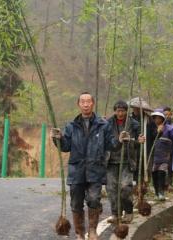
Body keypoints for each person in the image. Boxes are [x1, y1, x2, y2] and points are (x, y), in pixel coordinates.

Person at [50, 92, 124, 240]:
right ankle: (79, 233)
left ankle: (92, 230)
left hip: (95, 170)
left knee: (94, 199)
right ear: (78, 105)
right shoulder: (71, 126)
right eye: (82, 102)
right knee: (76, 203)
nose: (85, 104)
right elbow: (65, 146)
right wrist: (58, 138)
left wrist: (120, 140)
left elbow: (111, 144)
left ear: (93, 104)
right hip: (76, 170)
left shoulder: (103, 125)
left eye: (88, 101)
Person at [106, 100, 145, 224]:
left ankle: (128, 211)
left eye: (123, 111)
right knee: (111, 188)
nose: (120, 113)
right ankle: (115, 214)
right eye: (118, 111)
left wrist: (136, 140)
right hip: (111, 160)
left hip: (127, 160)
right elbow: (105, 139)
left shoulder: (134, 123)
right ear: (114, 111)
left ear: (126, 111)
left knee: (125, 187)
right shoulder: (107, 123)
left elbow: (139, 140)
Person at [151, 110, 173, 201]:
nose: (157, 120)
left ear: (162, 119)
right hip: (153, 155)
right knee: (154, 174)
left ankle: (161, 192)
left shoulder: (169, 128)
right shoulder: (151, 128)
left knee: (161, 173)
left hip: (164, 155)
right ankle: (156, 192)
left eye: (159, 118)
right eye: (155, 118)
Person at [163, 106, 173, 188]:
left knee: (170, 166)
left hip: (171, 148)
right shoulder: (161, 124)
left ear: (171, 114)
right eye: (165, 115)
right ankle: (163, 183)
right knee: (162, 166)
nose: (167, 116)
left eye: (168, 114)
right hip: (162, 149)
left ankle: (170, 183)